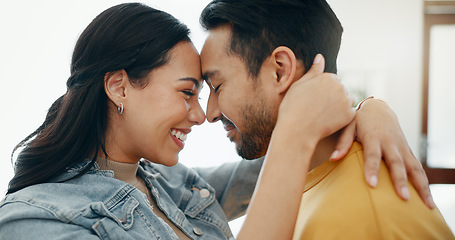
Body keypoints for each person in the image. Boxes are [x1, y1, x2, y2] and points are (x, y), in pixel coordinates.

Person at [0, 2, 432, 240]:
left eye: (210, 89)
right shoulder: (34, 220)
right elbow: (284, 157)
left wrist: (371, 109)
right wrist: (298, 130)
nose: (201, 114)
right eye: (188, 92)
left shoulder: (170, 183)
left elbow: (271, 167)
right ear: (119, 87)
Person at [198, 0, 454, 239]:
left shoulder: (371, 214)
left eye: (217, 86)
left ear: (280, 70)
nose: (209, 114)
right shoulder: (290, 184)